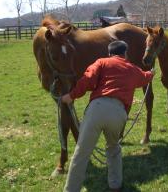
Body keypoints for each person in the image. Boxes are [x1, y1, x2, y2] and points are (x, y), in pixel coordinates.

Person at [61, 40, 155, 192]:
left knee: (81, 153)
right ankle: (115, 186)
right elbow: (145, 77)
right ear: (125, 53)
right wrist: (152, 73)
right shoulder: (132, 68)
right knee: (113, 148)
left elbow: (87, 80)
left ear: (110, 53)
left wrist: (71, 96)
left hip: (96, 110)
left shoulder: (101, 62)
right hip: (119, 114)